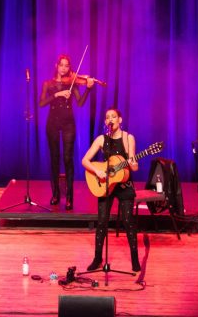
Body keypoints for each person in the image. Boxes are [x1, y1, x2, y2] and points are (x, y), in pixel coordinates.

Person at [81, 108, 141, 272]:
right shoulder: (102, 139)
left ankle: (135, 258)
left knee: (128, 222)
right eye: (107, 117)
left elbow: (134, 167)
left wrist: (133, 162)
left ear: (120, 120)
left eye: (114, 116)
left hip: (124, 184)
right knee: (101, 222)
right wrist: (97, 171)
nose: (111, 119)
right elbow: (85, 160)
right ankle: (97, 258)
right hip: (106, 184)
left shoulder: (129, 138)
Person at [39, 54, 95, 210]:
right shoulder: (48, 84)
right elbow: (42, 103)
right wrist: (56, 95)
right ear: (56, 65)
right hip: (53, 123)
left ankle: (69, 196)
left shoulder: (73, 83)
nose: (64, 68)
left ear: (70, 68)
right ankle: (55, 193)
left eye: (67, 66)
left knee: (68, 158)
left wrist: (88, 89)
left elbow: (81, 102)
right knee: (55, 159)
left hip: (68, 124)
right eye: (61, 65)